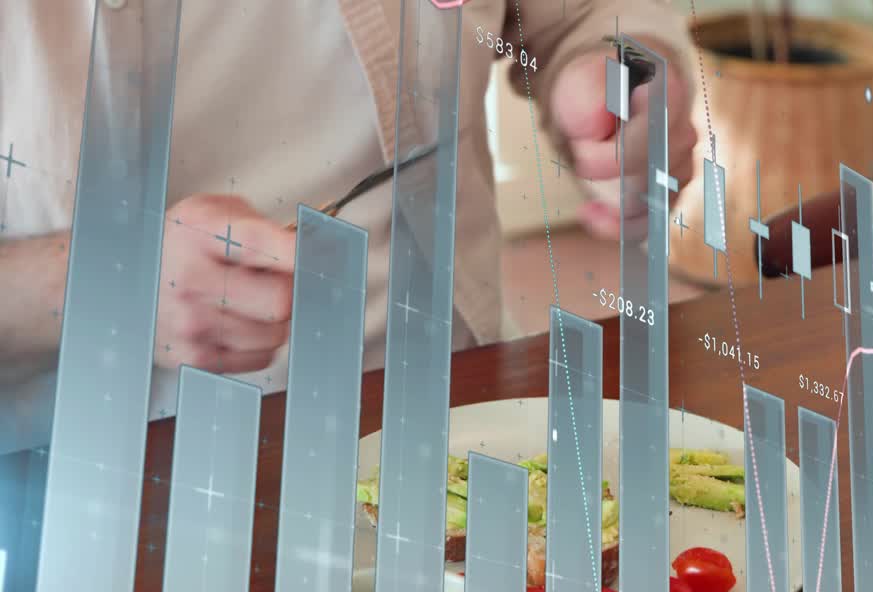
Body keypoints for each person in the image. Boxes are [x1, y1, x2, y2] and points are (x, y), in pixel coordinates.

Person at [0, 0, 697, 451]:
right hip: (84, 492)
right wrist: (96, 283)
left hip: (452, 410)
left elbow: (586, 16)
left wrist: (624, 74)